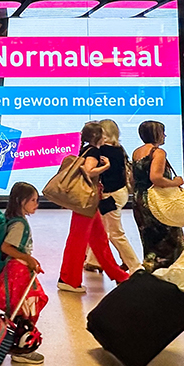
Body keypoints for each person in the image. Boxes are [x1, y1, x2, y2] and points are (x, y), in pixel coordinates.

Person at [57, 122, 130, 293]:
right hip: (88, 199)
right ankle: (69, 279)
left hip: (87, 200)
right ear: (98, 137)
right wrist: (105, 167)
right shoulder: (95, 152)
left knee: (98, 239)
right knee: (79, 239)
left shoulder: (85, 150)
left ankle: (118, 274)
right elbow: (88, 170)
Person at [0, 182, 48, 364]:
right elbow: (7, 247)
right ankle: (21, 349)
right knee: (24, 309)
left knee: (16, 310)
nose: (37, 204)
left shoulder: (11, 218)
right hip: (17, 273)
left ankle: (13, 344)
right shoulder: (19, 224)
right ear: (21, 201)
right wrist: (28, 259)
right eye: (33, 200)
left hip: (10, 272)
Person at [85, 119, 142, 274]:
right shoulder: (119, 149)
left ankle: (135, 265)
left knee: (115, 232)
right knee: (101, 227)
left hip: (109, 195)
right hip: (120, 192)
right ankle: (93, 260)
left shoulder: (101, 151)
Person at [131, 120, 184, 271]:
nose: (165, 136)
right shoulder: (158, 153)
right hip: (157, 200)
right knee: (170, 240)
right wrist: (176, 182)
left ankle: (151, 270)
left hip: (139, 199)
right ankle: (169, 274)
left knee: (149, 239)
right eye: (163, 132)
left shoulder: (137, 152)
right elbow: (156, 177)